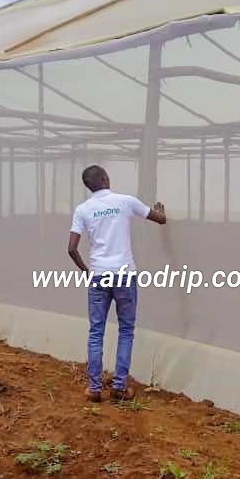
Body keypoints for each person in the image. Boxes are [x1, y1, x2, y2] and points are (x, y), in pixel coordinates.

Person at [68, 165, 166, 402]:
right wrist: (159, 210)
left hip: (99, 276)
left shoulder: (83, 210)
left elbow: (71, 249)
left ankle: (94, 388)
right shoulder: (125, 201)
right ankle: (119, 386)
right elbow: (160, 219)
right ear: (105, 179)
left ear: (89, 186)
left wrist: (86, 271)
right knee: (125, 330)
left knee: (96, 332)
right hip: (124, 275)